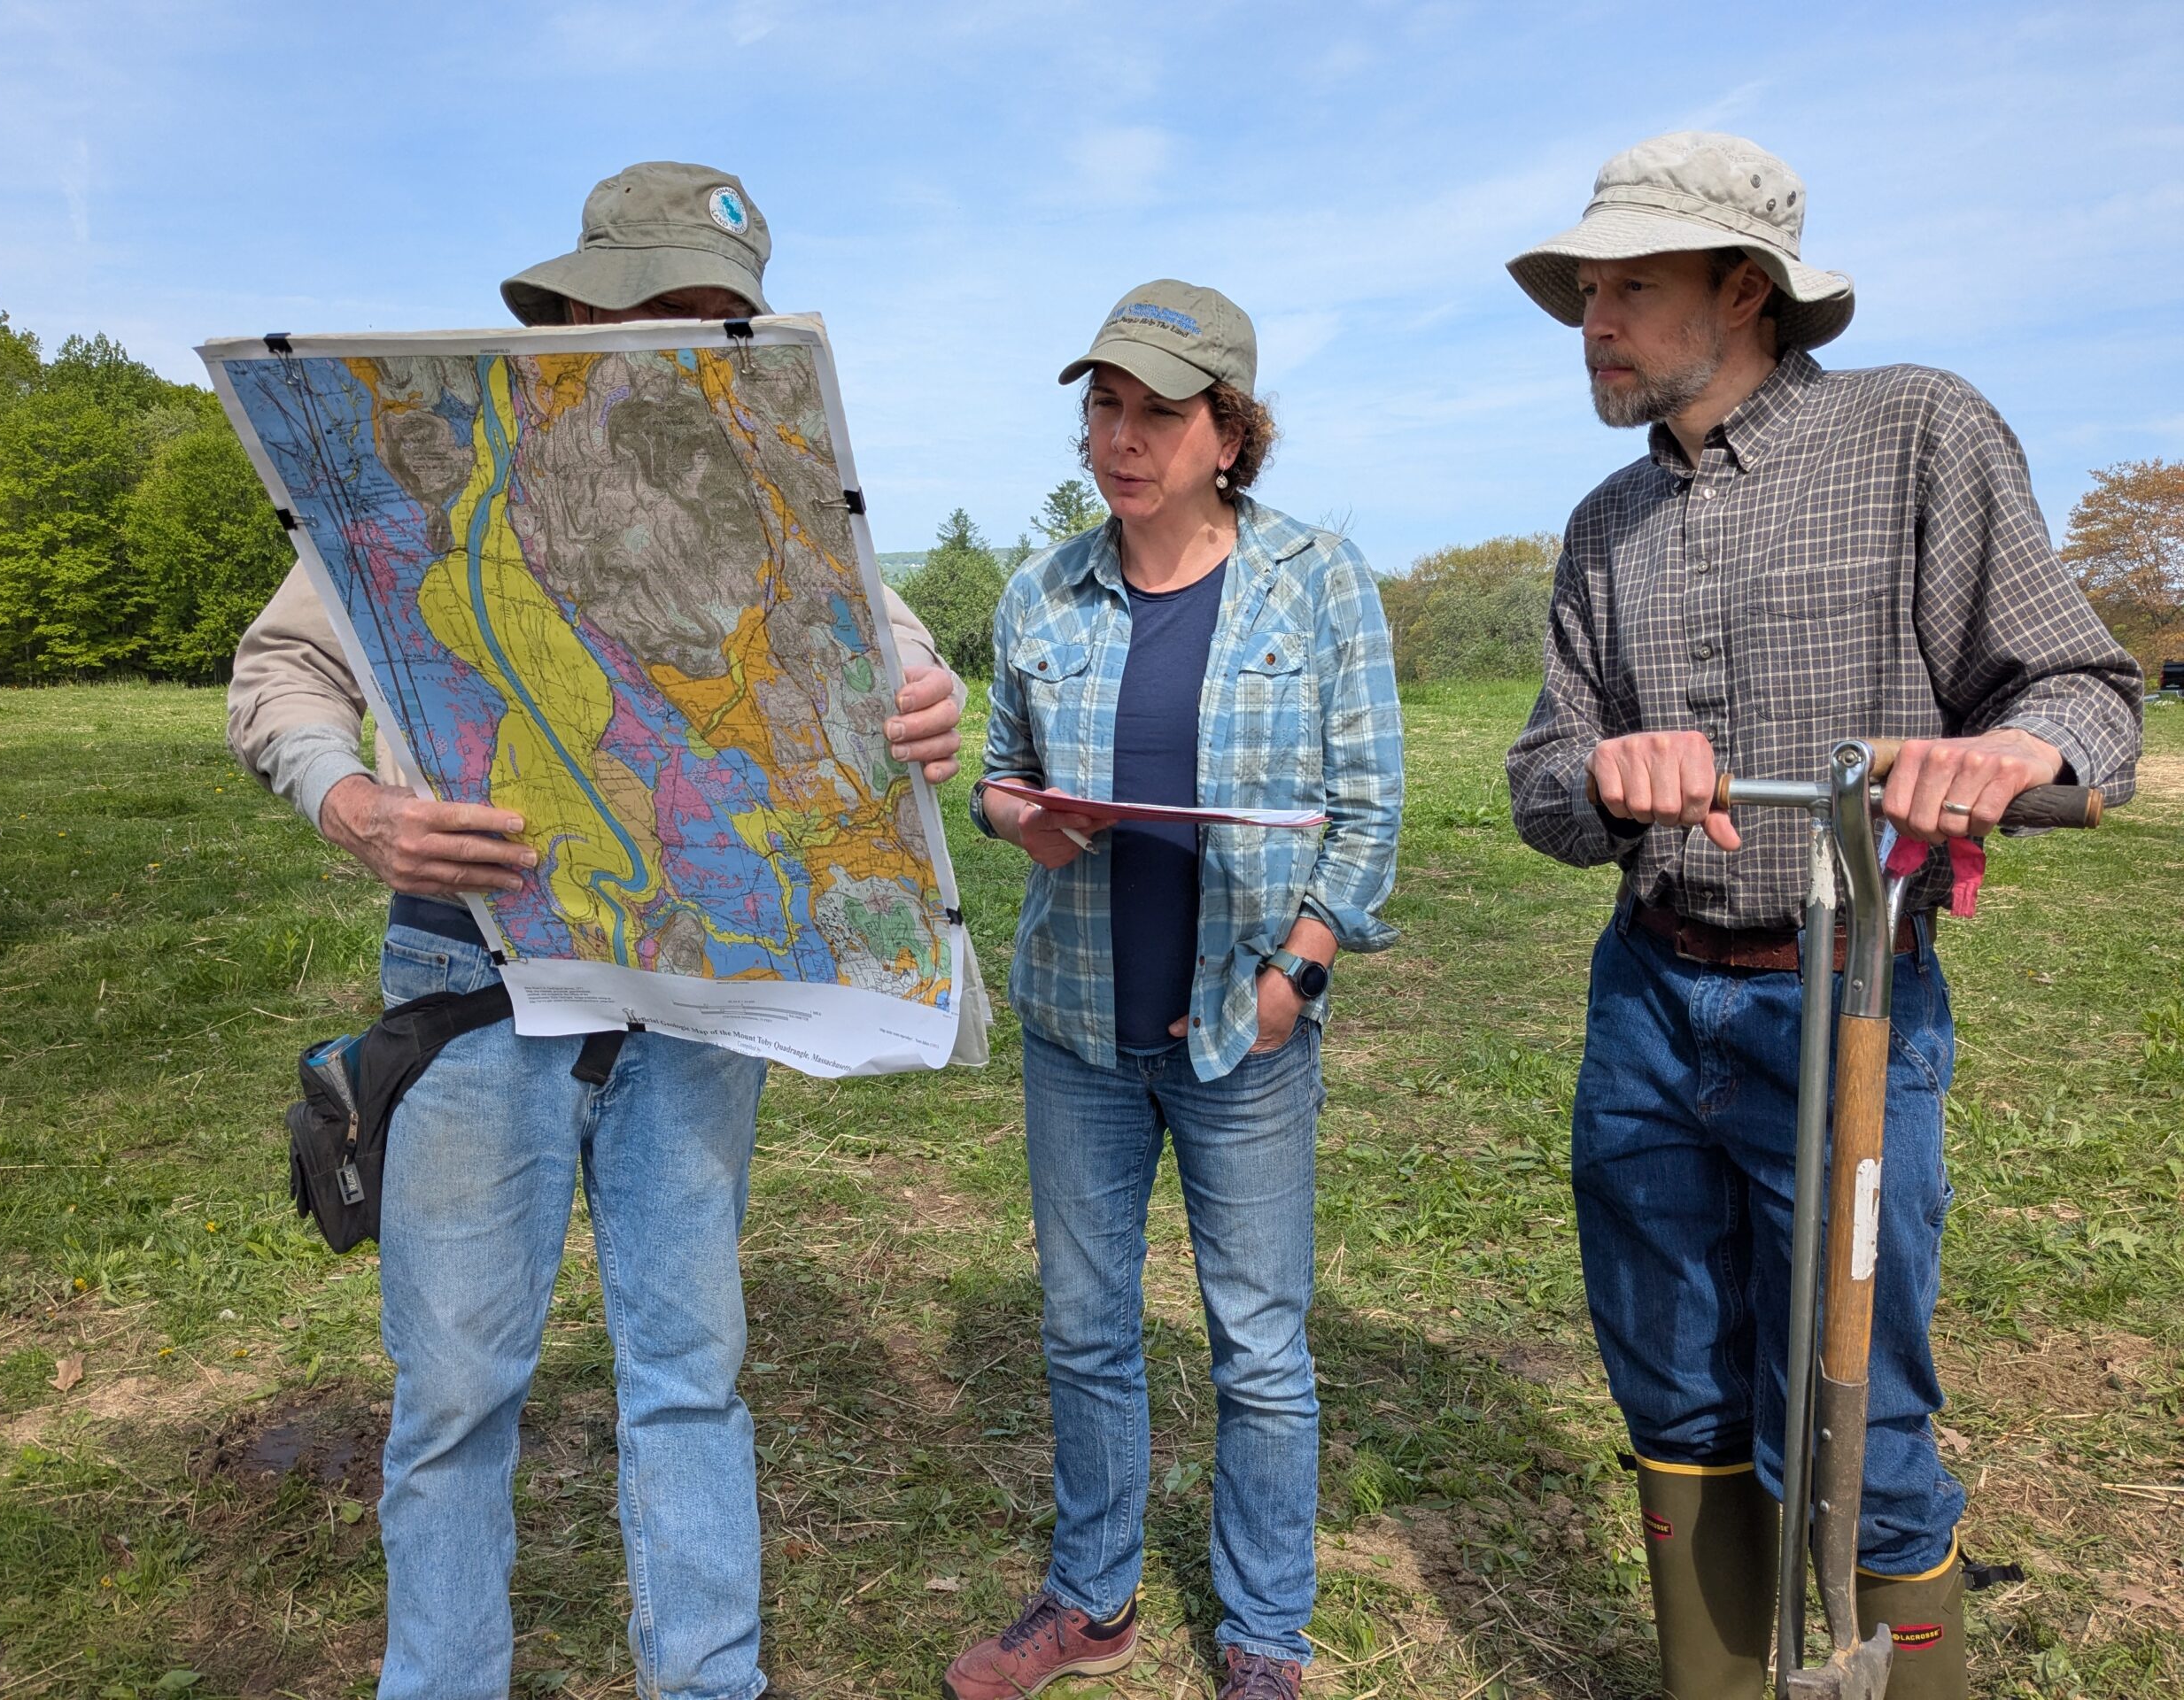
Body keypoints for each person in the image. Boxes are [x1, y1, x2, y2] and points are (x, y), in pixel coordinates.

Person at [226, 160, 979, 1700]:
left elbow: (883, 643)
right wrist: (352, 804)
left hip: (698, 984)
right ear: (572, 309)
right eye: (655, 311)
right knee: (451, 1388)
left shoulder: (766, 477)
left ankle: (707, 1679)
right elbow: (282, 668)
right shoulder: (431, 467)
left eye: (717, 324)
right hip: (471, 969)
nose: (681, 349)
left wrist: (925, 698)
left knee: (688, 1375)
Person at [1503, 132, 2142, 1699]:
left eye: (1630, 287)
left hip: (1848, 999)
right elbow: (1537, 784)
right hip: (1649, 1006)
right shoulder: (1604, 526)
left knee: (1860, 1404)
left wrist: (2017, 748)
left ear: (1747, 290)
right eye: (1587, 290)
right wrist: (1606, 767)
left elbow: (2085, 687)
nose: (1595, 319)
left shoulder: (1919, 434)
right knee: (1671, 1388)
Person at [942, 282, 1404, 1700]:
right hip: (1079, 1029)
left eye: (1157, 411)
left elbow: (1367, 809)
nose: (1121, 438)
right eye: (1104, 407)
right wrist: (1014, 816)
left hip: (1241, 1031)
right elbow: (997, 775)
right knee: (1086, 1336)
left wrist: (1297, 979)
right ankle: (1095, 1601)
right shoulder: (1042, 592)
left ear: (1229, 435)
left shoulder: (1315, 581)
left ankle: (1267, 1633)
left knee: (1259, 1349)